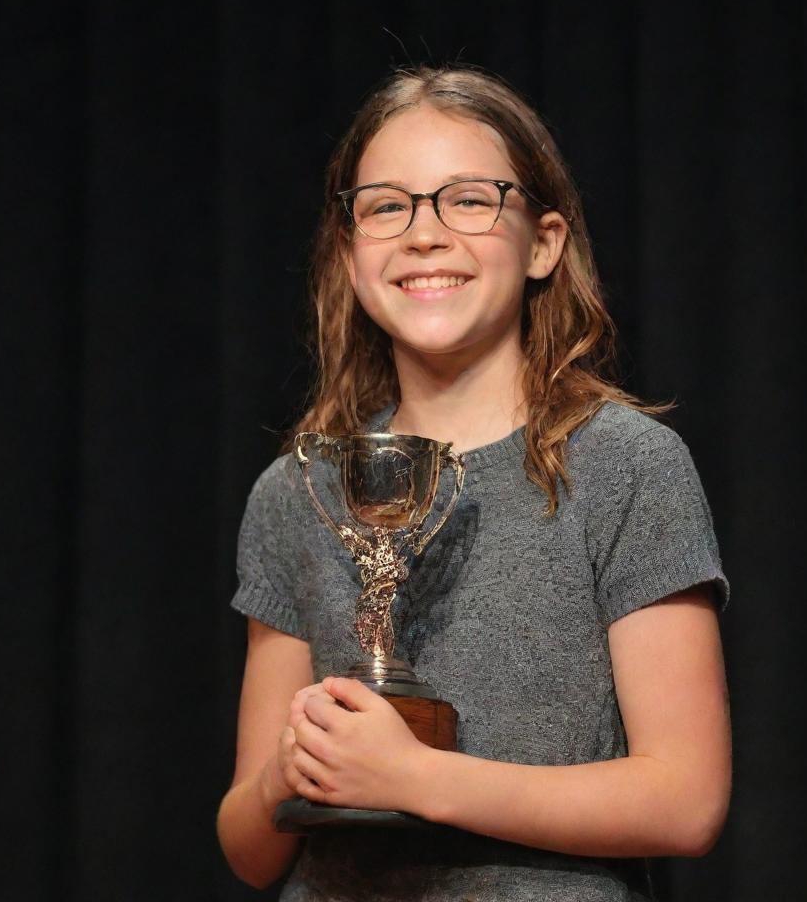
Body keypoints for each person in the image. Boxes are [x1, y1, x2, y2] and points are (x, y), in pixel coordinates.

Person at [216, 66, 731, 901]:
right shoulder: (298, 489)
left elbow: (685, 800)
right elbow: (249, 845)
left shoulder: (628, 466)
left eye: (468, 199)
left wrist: (413, 778)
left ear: (544, 242)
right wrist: (288, 773)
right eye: (386, 205)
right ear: (349, 252)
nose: (424, 234)